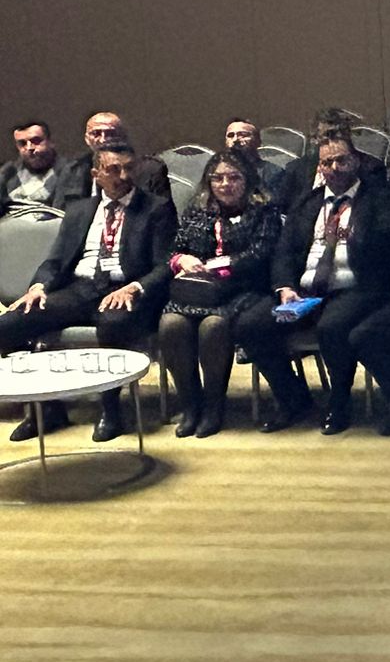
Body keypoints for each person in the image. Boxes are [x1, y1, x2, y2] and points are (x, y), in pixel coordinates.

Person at [233, 135, 390, 437]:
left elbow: (388, 249)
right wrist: (284, 286)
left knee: (332, 327)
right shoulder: (307, 202)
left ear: (356, 162)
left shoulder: (379, 198)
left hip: (356, 287)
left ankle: (339, 402)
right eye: (327, 162)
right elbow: (284, 252)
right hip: (305, 292)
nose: (335, 168)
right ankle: (293, 398)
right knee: (250, 325)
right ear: (320, 167)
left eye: (342, 160)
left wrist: (350, 233)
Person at [0, 145, 177, 442]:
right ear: (96, 174)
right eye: (113, 170)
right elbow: (56, 260)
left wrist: (134, 287)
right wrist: (38, 287)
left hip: (126, 288)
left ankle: (111, 410)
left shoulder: (156, 208)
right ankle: (47, 408)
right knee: (10, 324)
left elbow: (165, 264)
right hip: (80, 288)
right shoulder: (80, 210)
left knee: (113, 322)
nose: (123, 176)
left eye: (128, 168)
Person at [159, 153, 281, 438]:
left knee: (213, 327)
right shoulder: (197, 209)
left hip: (242, 288)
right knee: (171, 325)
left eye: (234, 177)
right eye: (218, 178)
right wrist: (182, 260)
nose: (225, 184)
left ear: (247, 180)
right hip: (197, 290)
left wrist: (221, 267)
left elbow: (260, 253)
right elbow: (175, 249)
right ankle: (191, 405)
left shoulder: (263, 210)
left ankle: (214, 407)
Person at [274, 109, 390, 207]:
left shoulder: (372, 168)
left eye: (337, 133)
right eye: (327, 135)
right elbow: (280, 208)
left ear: (348, 135)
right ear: (315, 139)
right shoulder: (297, 170)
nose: (332, 140)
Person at [3, 119, 80, 207]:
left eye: (36, 141)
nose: (29, 147)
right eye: (22, 143)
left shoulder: (72, 170)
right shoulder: (8, 173)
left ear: (51, 142)